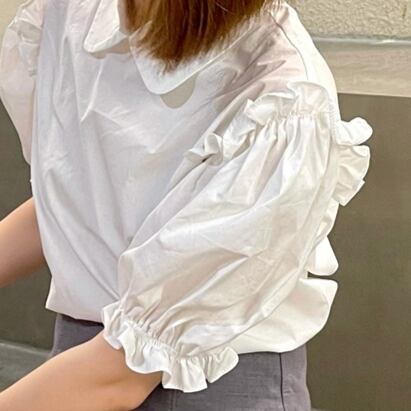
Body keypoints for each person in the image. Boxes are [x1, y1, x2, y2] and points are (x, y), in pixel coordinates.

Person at [0, 0, 373, 410]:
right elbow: (80, 207)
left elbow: (122, 373)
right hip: (76, 373)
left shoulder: (283, 100)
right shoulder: (72, 16)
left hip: (198, 386)